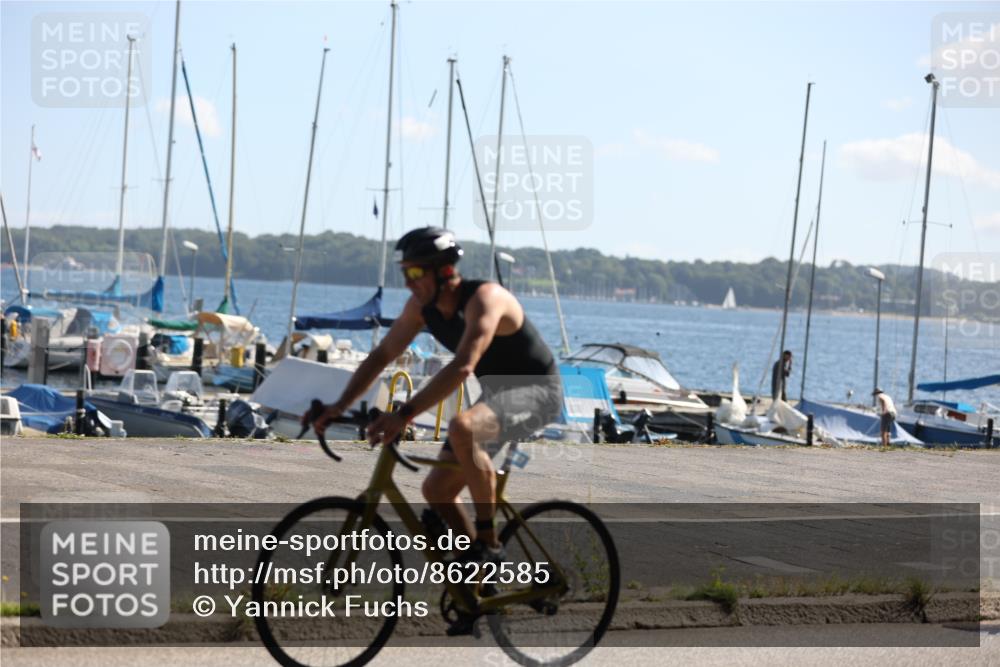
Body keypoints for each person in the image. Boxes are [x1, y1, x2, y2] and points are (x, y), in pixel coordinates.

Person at [307, 226, 562, 557]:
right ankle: (476, 576)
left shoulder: (486, 299)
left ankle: (488, 544)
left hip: (538, 391)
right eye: (404, 273)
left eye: (415, 273)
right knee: (436, 490)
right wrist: (339, 406)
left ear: (444, 271)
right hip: (497, 395)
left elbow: (463, 366)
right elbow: (382, 355)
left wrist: (403, 415)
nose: (408, 283)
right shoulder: (420, 307)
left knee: (463, 427)